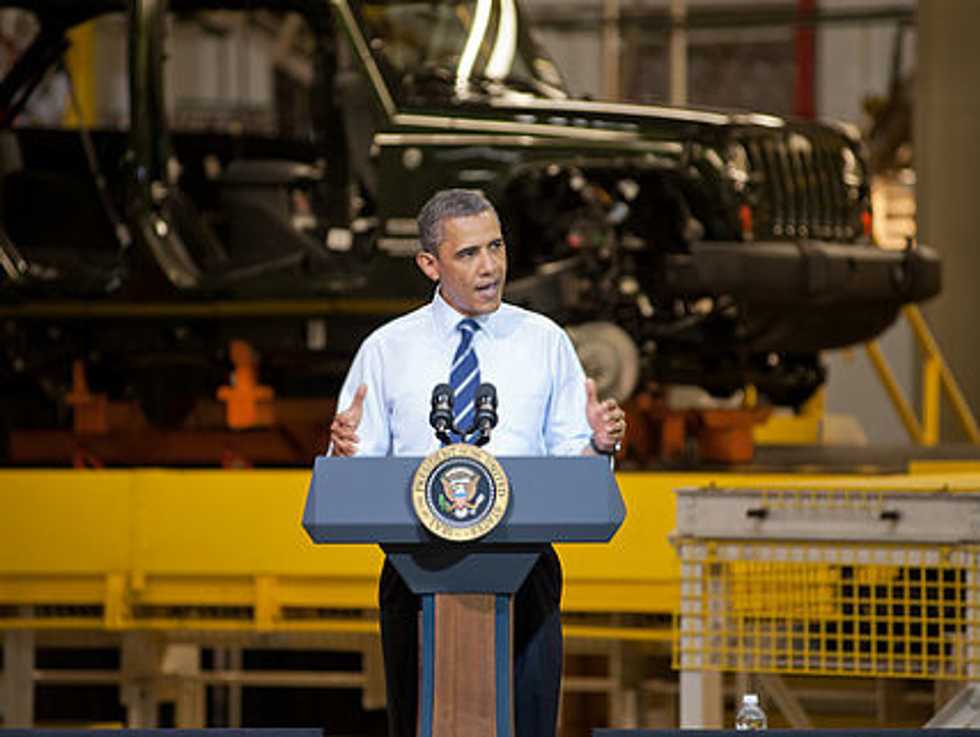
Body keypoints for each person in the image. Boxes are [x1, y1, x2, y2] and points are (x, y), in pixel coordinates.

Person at [328, 188, 626, 737]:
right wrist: (344, 455)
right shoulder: (386, 349)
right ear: (429, 264)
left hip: (525, 569)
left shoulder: (545, 342)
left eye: (496, 246)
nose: (489, 267)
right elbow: (356, 472)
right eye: (468, 253)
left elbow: (574, 470)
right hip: (414, 570)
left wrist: (599, 446)